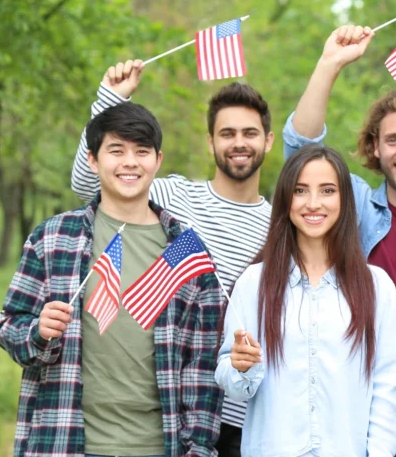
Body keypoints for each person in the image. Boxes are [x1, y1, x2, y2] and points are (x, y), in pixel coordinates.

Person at [0, 102, 224, 457]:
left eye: (141, 152)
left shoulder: (185, 250)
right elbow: (8, 327)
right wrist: (38, 332)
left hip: (158, 446)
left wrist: (198, 448)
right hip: (64, 440)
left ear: (158, 161)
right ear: (93, 160)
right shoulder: (54, 237)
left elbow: (202, 367)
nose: (130, 162)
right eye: (116, 151)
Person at [70, 60, 275, 454]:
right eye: (227, 133)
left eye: (250, 133)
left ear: (267, 140)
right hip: (180, 407)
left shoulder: (281, 224)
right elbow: (87, 182)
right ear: (210, 141)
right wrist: (110, 99)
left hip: (247, 412)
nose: (239, 142)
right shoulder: (173, 197)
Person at [215, 145, 396, 456]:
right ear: (286, 198)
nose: (313, 203)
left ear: (344, 199)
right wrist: (240, 367)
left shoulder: (377, 286)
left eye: (327, 190)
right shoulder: (253, 283)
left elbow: (387, 388)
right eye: (301, 190)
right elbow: (231, 382)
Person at [283, 25, 396, 351]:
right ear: (375, 147)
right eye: (392, 140)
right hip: (367, 383)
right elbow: (300, 154)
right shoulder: (357, 205)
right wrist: (329, 64)